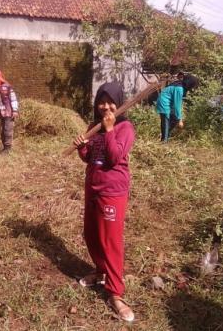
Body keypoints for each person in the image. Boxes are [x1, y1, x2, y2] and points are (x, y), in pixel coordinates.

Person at [73, 82, 135, 322]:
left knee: (111, 241)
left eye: (111, 102)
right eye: (102, 101)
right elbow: (91, 158)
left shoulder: (125, 128)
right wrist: (82, 148)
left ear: (119, 103)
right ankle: (101, 271)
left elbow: (114, 157)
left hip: (113, 191)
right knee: (92, 234)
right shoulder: (94, 126)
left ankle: (116, 293)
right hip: (93, 187)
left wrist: (109, 131)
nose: (106, 107)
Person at [156, 74, 198, 142]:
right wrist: (180, 120)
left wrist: (178, 118)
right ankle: (164, 141)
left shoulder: (181, 86)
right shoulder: (179, 89)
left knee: (174, 119)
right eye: (192, 85)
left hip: (169, 103)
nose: (192, 88)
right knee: (166, 121)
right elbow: (177, 106)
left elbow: (178, 103)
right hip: (164, 103)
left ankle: (164, 135)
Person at [0, 69, 19, 153]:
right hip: (1, 113)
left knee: (7, 129)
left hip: (9, 113)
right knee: (2, 130)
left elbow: (13, 99)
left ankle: (7, 148)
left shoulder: (7, 86)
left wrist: (15, 110)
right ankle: (4, 147)